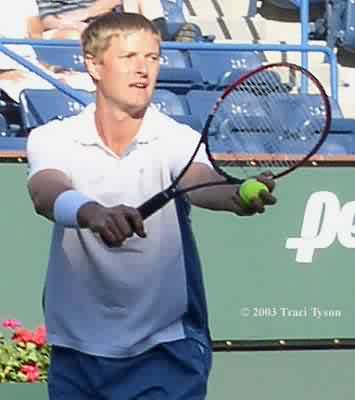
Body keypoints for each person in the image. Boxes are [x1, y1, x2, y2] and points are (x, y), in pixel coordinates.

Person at [26, 12, 277, 399]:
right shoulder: (52, 138)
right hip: (77, 354)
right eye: (129, 57)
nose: (144, 69)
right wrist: (93, 213)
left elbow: (197, 181)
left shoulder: (177, 138)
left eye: (153, 58)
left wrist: (236, 195)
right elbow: (46, 191)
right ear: (93, 64)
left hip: (165, 350)